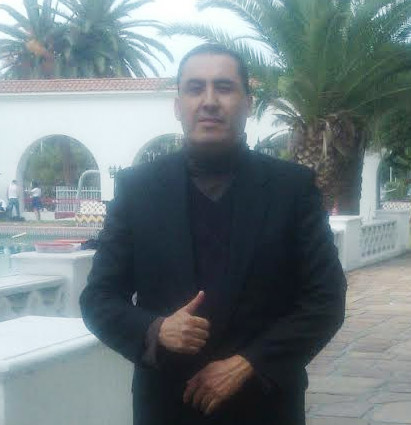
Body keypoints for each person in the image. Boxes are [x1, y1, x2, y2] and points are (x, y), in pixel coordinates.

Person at [80, 44, 346, 425]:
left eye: (224, 87)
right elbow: (98, 298)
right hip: (167, 408)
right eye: (194, 88)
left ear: (248, 103)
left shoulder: (292, 189)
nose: (208, 101)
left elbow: (326, 300)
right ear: (178, 106)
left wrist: (249, 363)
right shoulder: (138, 189)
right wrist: (156, 329)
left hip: (265, 406)